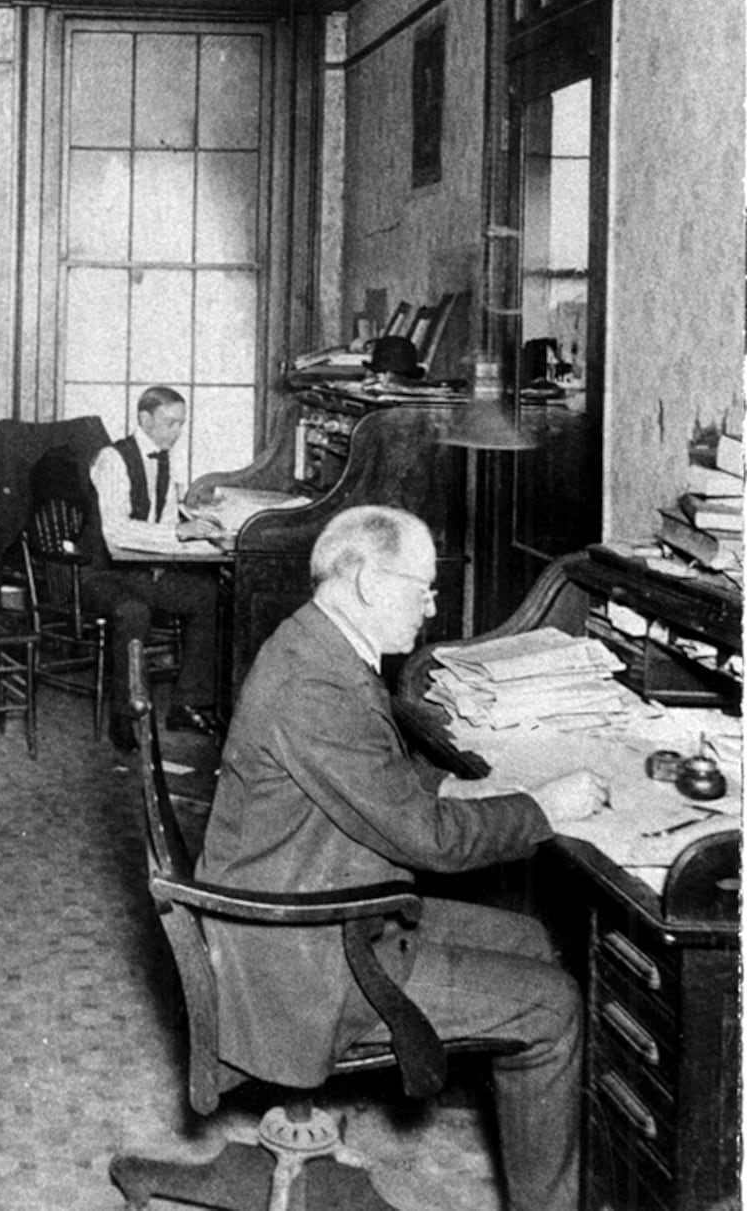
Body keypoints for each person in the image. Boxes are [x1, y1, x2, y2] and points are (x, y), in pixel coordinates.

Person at [198, 504, 607, 1211]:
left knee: (533, 940)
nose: (433, 601)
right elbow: (432, 842)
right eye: (421, 585)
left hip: (316, 904)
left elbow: (373, 775)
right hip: (305, 952)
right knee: (556, 1007)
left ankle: (487, 1083)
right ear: (364, 581)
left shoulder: (316, 646)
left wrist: (464, 783)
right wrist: (546, 809)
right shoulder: (316, 684)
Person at [83, 385, 225, 753]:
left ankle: (187, 703)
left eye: (182, 423)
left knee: (208, 595)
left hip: (142, 572)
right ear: (145, 419)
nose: (177, 431)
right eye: (170, 423)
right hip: (101, 574)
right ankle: (124, 715)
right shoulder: (111, 459)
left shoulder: (164, 458)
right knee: (134, 613)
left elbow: (162, 516)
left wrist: (172, 547)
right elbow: (116, 531)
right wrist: (178, 533)